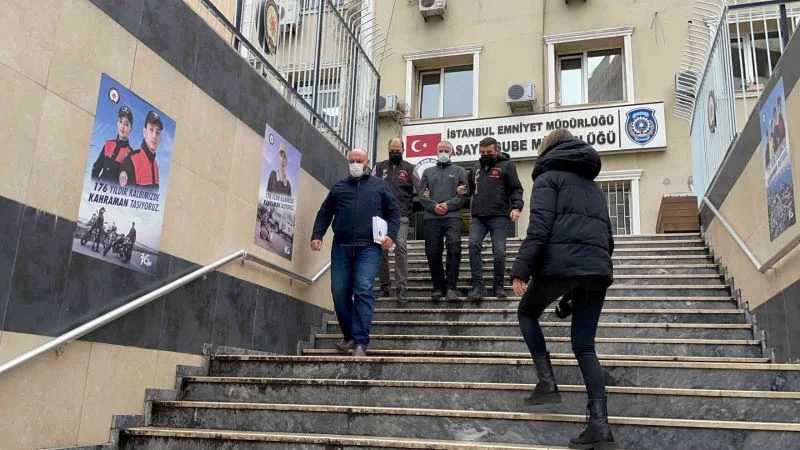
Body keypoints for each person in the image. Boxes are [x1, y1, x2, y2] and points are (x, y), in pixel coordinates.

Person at [510, 129, 616, 449]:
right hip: (596, 268)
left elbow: (540, 227)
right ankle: (599, 426)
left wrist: (521, 268)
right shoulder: (594, 187)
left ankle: (547, 383)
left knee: (527, 312)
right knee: (584, 347)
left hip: (559, 265)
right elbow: (607, 236)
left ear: (546, 149)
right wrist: (579, 286)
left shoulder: (548, 178)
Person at [311, 148, 400, 357]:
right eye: (351, 160)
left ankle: (361, 342)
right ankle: (349, 335)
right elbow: (325, 213)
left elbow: (394, 212)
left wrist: (391, 235)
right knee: (339, 292)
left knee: (363, 288)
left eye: (359, 161)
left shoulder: (379, 186)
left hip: (369, 247)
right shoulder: (339, 187)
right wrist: (317, 235)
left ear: (367, 162)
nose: (355, 164)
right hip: (341, 247)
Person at [466, 136, 524, 300]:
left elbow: (516, 189)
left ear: (496, 151)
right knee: (473, 245)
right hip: (478, 216)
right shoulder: (475, 168)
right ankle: (478, 286)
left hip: (499, 216)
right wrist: (462, 190)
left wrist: (516, 207)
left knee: (499, 252)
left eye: (489, 152)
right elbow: (469, 189)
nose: (485, 155)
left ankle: (498, 286)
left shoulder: (507, 165)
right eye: (482, 152)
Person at [418, 141, 468, 301]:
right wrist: (433, 206)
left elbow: (464, 195)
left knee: (454, 246)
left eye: (446, 150)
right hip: (431, 216)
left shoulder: (460, 171)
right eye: (441, 150)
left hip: (452, 216)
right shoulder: (427, 172)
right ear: (436, 151)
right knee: (432, 251)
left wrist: (448, 205)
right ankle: (437, 287)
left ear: (452, 152)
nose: (443, 153)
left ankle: (451, 287)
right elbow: (421, 194)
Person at [374, 137, 415, 301]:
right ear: (388, 149)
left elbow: (421, 188)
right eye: (392, 150)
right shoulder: (379, 167)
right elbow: (371, 185)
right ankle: (385, 286)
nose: (395, 152)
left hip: (401, 214)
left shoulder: (410, 168)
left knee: (401, 246)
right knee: (381, 249)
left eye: (398, 150)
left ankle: (401, 287)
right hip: (381, 216)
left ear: (403, 150)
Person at [120, 111, 162, 189]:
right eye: (151, 129)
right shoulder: (131, 159)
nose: (155, 136)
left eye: (158, 132)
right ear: (144, 132)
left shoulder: (155, 165)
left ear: (160, 138)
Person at [92, 106, 134, 182]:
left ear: (130, 129)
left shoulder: (131, 154)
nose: (122, 126)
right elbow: (96, 168)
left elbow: (128, 183)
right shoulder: (108, 144)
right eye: (120, 121)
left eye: (126, 124)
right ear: (117, 123)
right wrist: (94, 186)